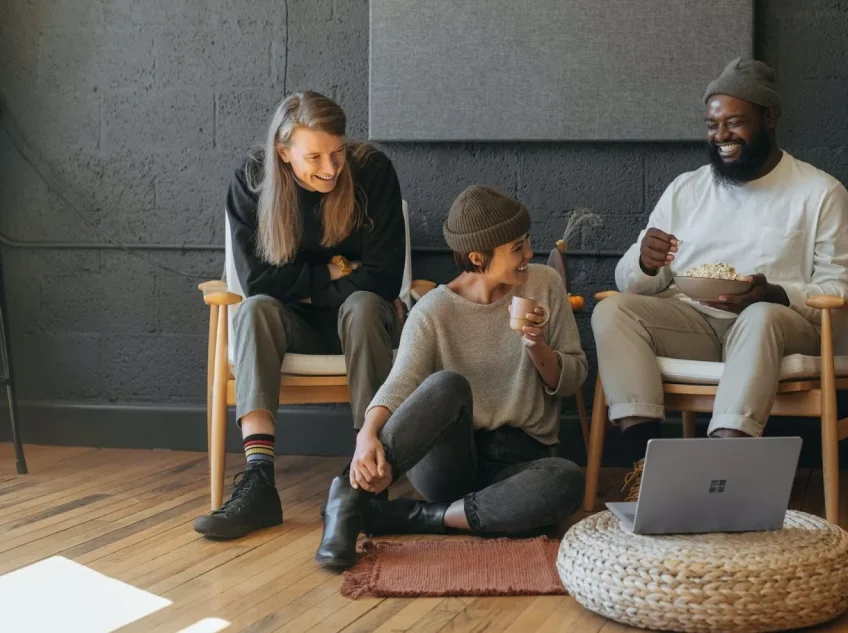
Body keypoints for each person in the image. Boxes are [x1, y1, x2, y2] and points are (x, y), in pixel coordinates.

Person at [592, 57, 848, 462]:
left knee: (761, 316)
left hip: (781, 329)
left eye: (734, 123)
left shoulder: (820, 192)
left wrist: (777, 294)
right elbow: (632, 283)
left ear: (769, 118)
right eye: (712, 125)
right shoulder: (686, 189)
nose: (721, 136)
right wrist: (646, 263)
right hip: (696, 324)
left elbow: (840, 291)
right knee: (613, 311)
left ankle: (722, 466)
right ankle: (643, 467)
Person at [314, 185, 588, 568]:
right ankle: (349, 497)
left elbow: (574, 377)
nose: (529, 253)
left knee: (566, 479)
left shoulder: (544, 284)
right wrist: (366, 436)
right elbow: (400, 383)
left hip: (521, 462)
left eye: (527, 241)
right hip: (449, 463)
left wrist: (537, 347)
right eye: (517, 248)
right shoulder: (433, 311)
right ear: (478, 256)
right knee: (446, 385)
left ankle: (417, 517)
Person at [194, 91, 406, 539]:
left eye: (338, 152)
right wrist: (337, 270)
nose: (331, 168)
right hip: (292, 328)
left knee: (364, 306)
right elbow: (256, 282)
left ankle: (368, 476)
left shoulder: (372, 172)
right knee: (254, 311)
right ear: (283, 152)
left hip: (365, 326)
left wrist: (299, 286)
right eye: (315, 157)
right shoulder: (252, 180)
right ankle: (259, 481)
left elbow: (384, 280)